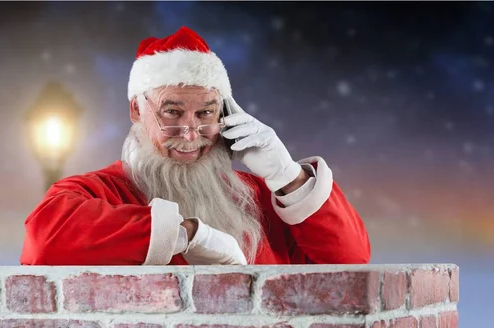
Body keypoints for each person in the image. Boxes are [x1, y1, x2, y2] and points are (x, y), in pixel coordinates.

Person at [20, 26, 371, 266]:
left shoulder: (261, 199)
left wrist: (289, 176)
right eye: (172, 112)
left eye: (206, 113)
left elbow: (352, 263)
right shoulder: (99, 191)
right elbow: (45, 241)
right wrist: (188, 235)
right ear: (136, 110)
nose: (190, 134)